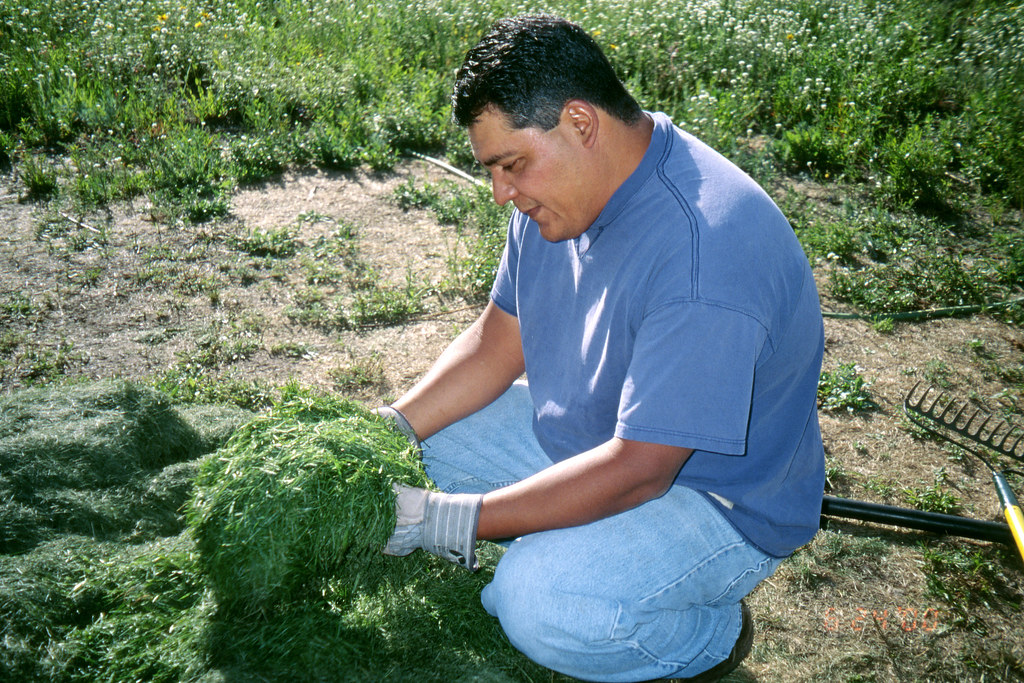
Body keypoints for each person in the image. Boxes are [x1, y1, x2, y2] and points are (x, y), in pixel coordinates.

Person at [376, 14, 825, 683]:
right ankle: (569, 534)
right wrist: (387, 427)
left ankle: (708, 633)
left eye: (512, 165)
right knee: (416, 450)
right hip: (598, 438)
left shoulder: (706, 252)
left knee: (538, 602)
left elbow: (641, 469)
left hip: (711, 499)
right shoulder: (562, 190)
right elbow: (498, 341)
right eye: (492, 169)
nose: (502, 192)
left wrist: (457, 519)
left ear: (581, 123)